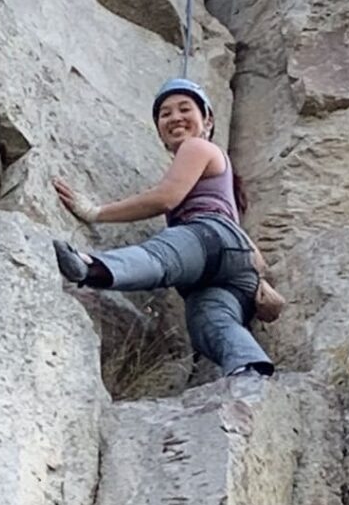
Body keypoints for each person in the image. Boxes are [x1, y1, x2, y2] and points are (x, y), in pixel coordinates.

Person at [52, 78, 279, 377]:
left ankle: (90, 266)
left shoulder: (197, 146)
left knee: (162, 256)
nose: (175, 118)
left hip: (209, 238)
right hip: (235, 269)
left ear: (208, 120)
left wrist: (95, 212)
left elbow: (165, 198)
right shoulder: (220, 175)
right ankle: (250, 372)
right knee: (209, 322)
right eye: (165, 114)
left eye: (185, 109)